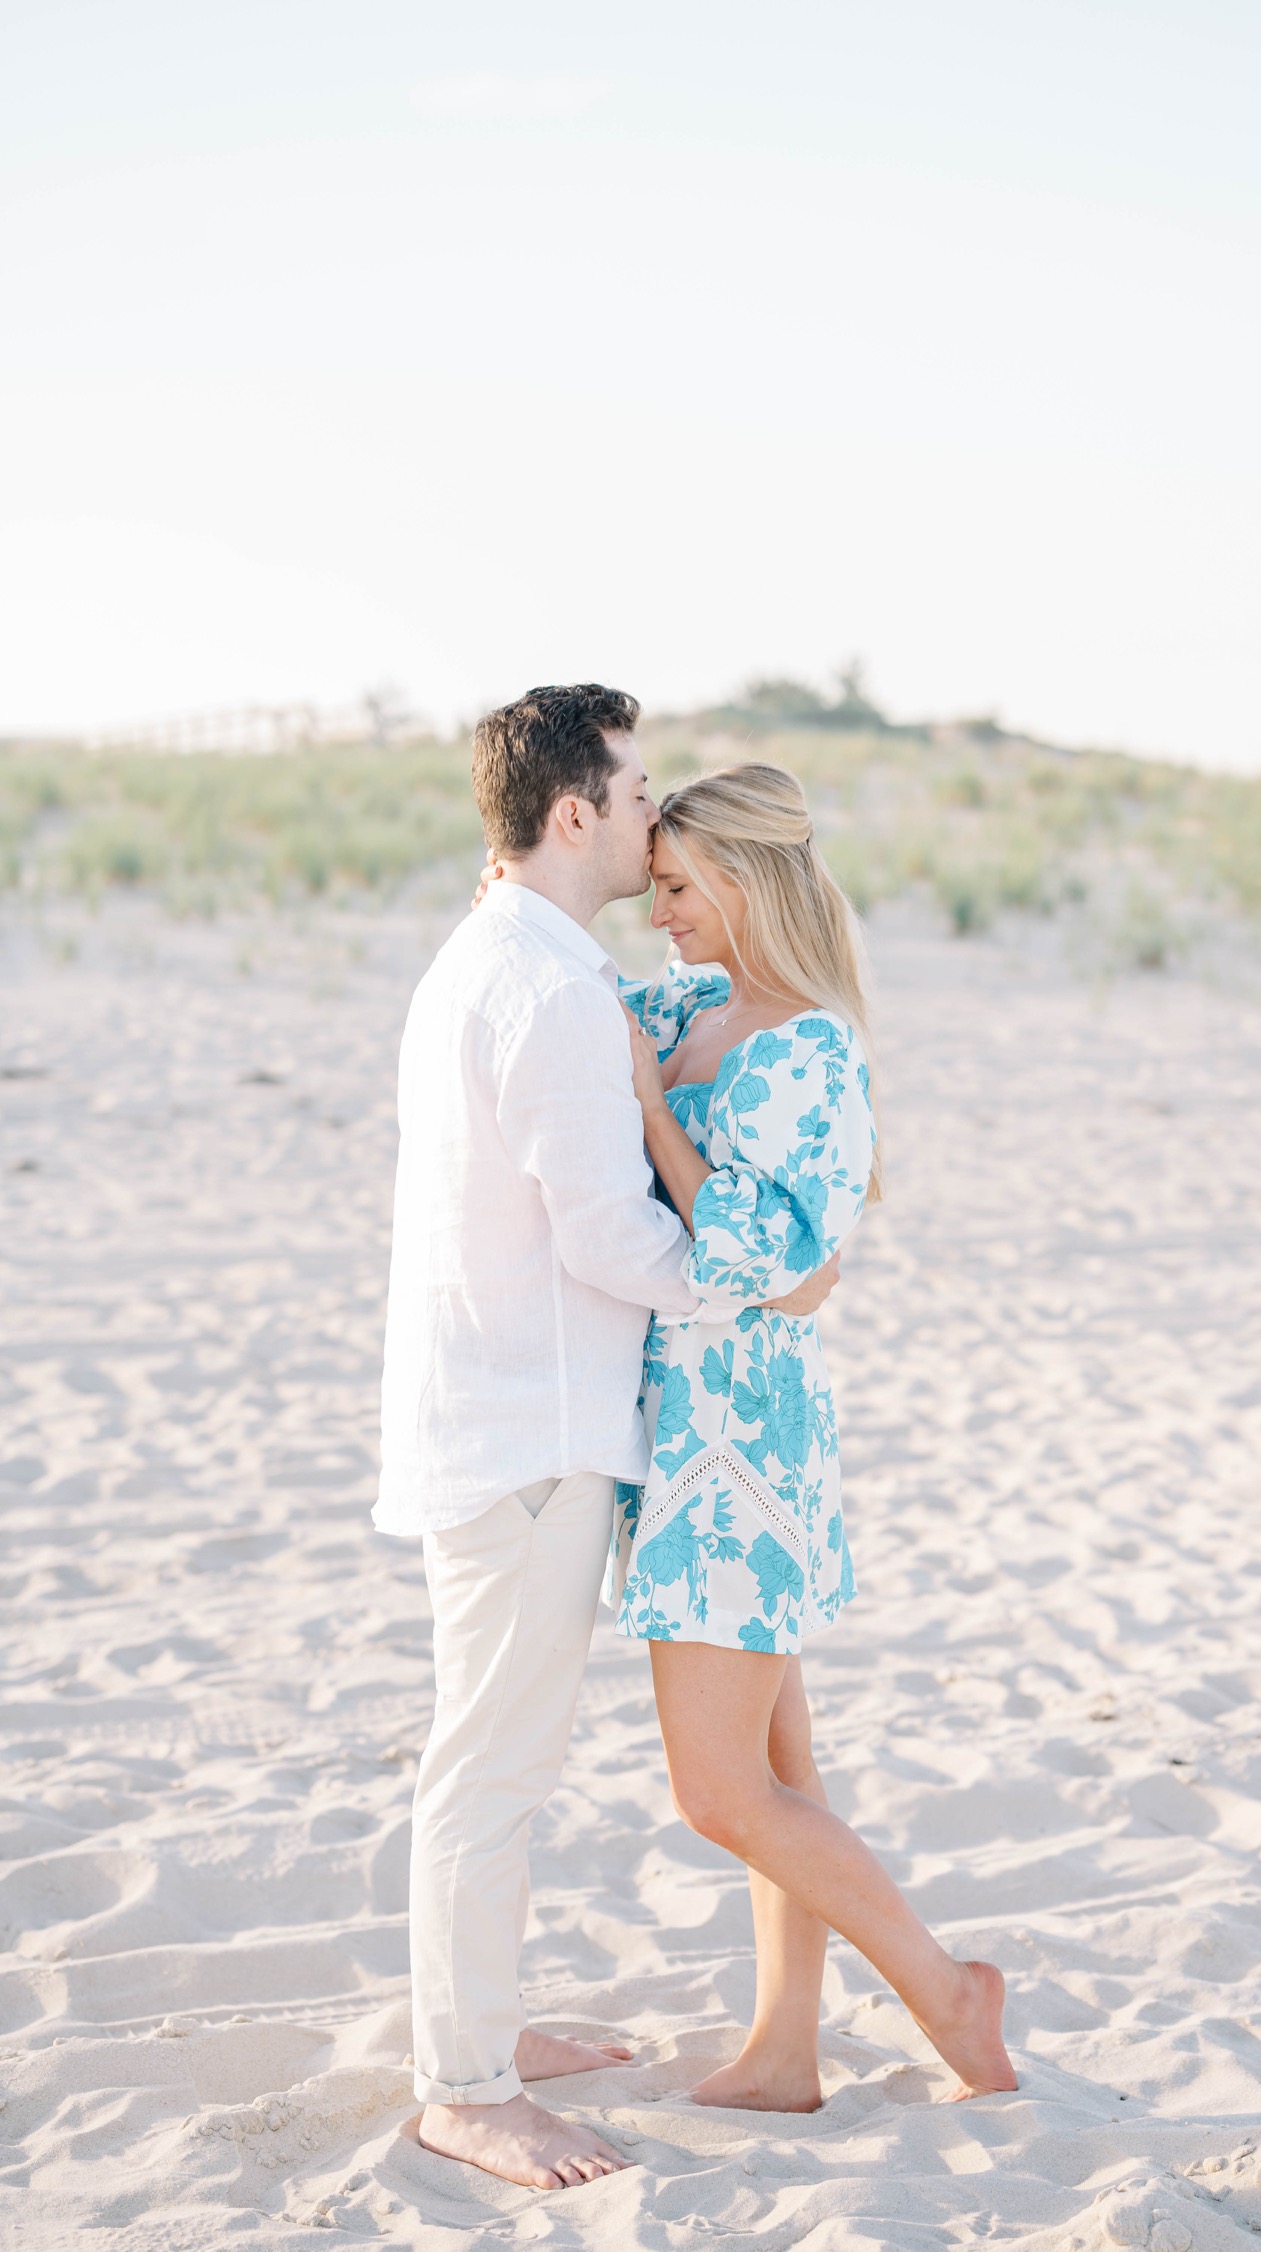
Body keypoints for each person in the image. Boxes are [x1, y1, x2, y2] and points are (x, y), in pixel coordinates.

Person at [374, 688, 836, 2193]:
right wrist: (766, 1274)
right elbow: (609, 1237)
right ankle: (464, 2084)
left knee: (497, 1751)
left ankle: (484, 2027)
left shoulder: (502, 952)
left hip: (507, 1409)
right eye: (634, 790)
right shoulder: (552, 986)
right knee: (491, 1765)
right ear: (574, 812)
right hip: (532, 1425)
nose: (652, 817)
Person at [608, 762, 1017, 2111]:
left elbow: (774, 1270)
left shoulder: (807, 1050)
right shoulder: (686, 1006)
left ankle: (945, 1987)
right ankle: (787, 2051)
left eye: (676, 886)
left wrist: (658, 1115)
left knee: (718, 1792)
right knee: (781, 1771)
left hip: (741, 1444)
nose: (658, 911)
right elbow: (575, 1004)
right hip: (678, 1426)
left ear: (740, 881)